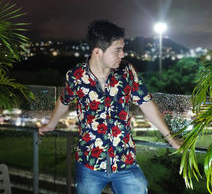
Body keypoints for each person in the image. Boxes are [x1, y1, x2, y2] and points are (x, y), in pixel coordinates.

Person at [39, 20, 182, 194]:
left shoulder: (126, 71)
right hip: (89, 164)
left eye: (122, 48)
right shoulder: (76, 76)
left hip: (125, 163)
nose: (122, 54)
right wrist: (51, 124)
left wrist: (170, 137)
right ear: (98, 52)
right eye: (117, 49)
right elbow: (64, 100)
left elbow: (145, 102)